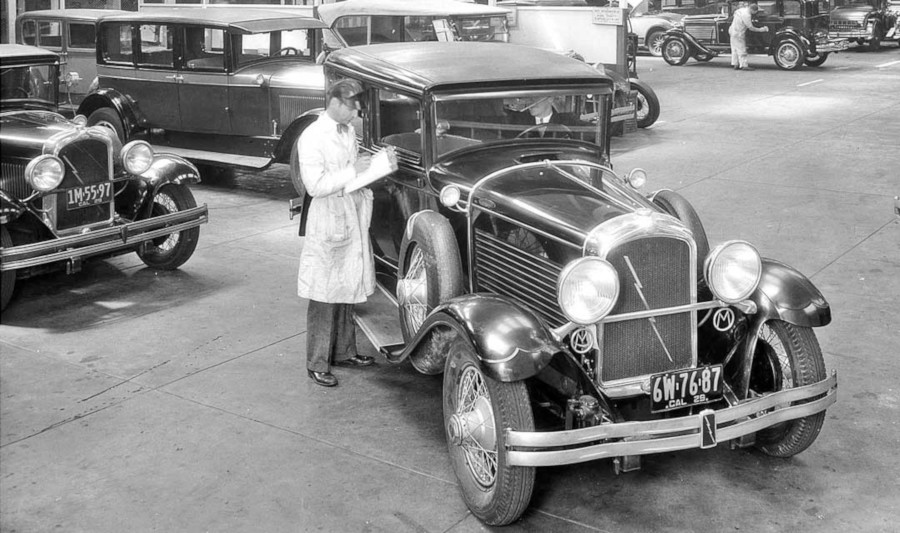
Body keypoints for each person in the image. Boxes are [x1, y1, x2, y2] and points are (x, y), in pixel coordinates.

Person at [295, 78, 396, 387]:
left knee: (346, 285)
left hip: (349, 212)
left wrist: (378, 165)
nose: (355, 116)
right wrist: (356, 171)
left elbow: (353, 171)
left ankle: (344, 352)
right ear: (335, 103)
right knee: (324, 294)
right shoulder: (312, 137)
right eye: (351, 110)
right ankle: (317, 362)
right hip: (328, 217)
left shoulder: (349, 131)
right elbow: (315, 186)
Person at [729, 2, 769, 71]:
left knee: (734, 48)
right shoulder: (747, 15)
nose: (755, 14)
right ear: (752, 10)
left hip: (732, 30)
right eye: (755, 12)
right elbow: (751, 27)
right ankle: (744, 65)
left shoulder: (741, 10)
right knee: (741, 49)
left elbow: (735, 13)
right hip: (739, 32)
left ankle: (735, 64)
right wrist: (761, 29)